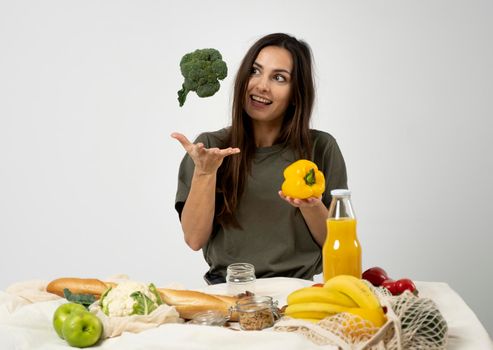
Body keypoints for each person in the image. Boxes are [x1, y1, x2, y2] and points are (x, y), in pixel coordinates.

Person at [172, 33, 347, 284]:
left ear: (296, 93)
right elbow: (194, 239)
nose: (262, 85)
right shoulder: (210, 149)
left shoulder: (321, 147)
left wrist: (311, 205)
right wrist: (205, 173)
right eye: (255, 71)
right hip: (227, 291)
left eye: (279, 78)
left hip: (298, 291)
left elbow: (336, 242)